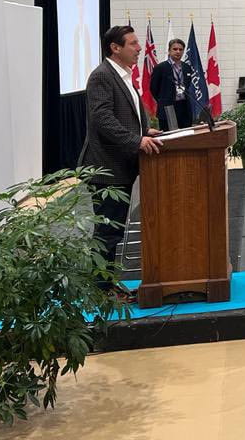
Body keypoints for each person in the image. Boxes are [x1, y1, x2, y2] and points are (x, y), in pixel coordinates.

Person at [79, 25, 163, 291]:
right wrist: (136, 140)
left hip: (120, 166)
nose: (139, 48)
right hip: (106, 168)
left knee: (113, 229)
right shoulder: (102, 76)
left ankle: (105, 285)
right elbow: (103, 119)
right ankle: (101, 290)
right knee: (108, 230)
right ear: (115, 48)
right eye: (133, 44)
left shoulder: (122, 75)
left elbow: (121, 115)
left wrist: (143, 130)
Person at [150, 38, 195, 129]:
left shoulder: (187, 67)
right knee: (170, 136)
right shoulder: (161, 68)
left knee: (186, 135)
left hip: (184, 106)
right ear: (169, 51)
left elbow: (188, 85)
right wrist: (164, 100)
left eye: (180, 49)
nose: (178, 51)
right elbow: (154, 88)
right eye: (175, 49)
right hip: (168, 107)